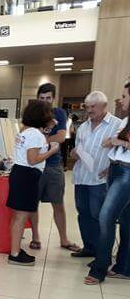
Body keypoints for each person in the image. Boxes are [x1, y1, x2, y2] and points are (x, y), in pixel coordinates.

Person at [86, 81, 130, 284]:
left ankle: (99, 268)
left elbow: (120, 142)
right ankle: (124, 267)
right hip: (115, 168)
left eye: (125, 96)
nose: (121, 100)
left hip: (126, 173)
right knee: (126, 220)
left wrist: (117, 142)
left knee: (106, 216)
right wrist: (113, 143)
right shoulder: (126, 120)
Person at [7, 100, 61, 265]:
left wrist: (47, 130)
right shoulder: (36, 135)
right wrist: (52, 150)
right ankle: (15, 253)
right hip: (28, 176)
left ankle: (14, 249)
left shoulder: (26, 131)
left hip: (19, 173)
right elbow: (33, 159)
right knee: (21, 216)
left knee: (17, 216)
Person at [70, 91, 122, 259]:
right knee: (83, 214)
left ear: (104, 106)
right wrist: (74, 153)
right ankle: (89, 247)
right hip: (81, 177)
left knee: (98, 216)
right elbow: (77, 149)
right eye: (87, 107)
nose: (89, 110)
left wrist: (113, 167)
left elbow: (123, 152)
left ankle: (101, 254)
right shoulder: (83, 127)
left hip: (100, 179)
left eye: (93, 107)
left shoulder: (117, 125)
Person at [29, 83, 80, 252]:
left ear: (54, 98)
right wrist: (46, 139)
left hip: (52, 165)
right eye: (41, 98)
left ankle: (64, 239)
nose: (45, 101)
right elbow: (25, 135)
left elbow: (61, 137)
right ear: (37, 98)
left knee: (58, 203)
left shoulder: (59, 113)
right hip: (34, 165)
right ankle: (35, 237)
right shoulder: (32, 114)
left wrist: (40, 139)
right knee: (32, 203)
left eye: (48, 98)